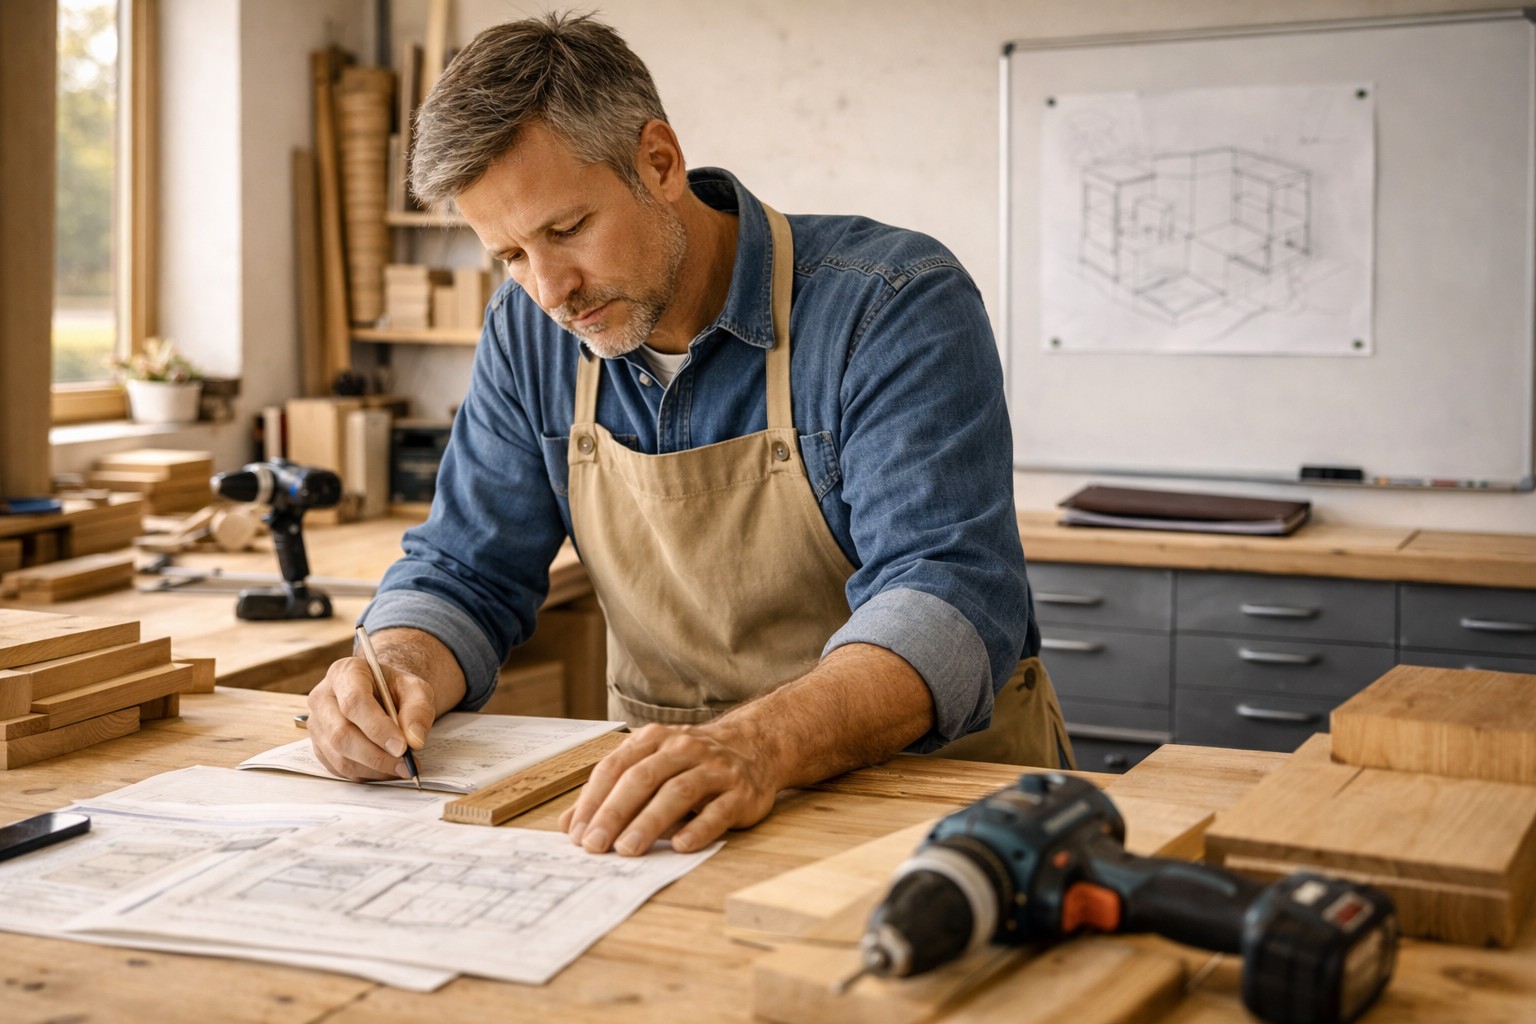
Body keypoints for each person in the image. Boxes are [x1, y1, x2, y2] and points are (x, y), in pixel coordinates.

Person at [306, 11, 1072, 857]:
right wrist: (397, 666)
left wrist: (758, 744)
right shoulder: (528, 335)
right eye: (511, 257)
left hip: (943, 816)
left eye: (566, 230)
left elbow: (946, 593)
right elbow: (466, 570)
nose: (550, 290)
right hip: (673, 820)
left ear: (659, 163)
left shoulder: (890, 305)